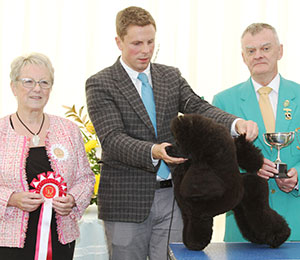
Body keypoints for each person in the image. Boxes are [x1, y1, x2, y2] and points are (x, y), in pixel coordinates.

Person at [86, 6, 258, 260]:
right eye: (136, 43)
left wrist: (235, 123)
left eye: (150, 41)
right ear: (118, 42)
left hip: (174, 197)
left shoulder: (170, 75)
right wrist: (153, 151)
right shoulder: (101, 83)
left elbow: (197, 107)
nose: (146, 50)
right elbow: (112, 139)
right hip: (126, 202)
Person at [0, 53, 95, 259]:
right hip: (8, 240)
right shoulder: (1, 132)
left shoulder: (68, 130)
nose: (37, 89)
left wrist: (72, 199)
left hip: (60, 238)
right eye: (28, 82)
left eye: (44, 82)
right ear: (13, 87)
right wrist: (11, 199)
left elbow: (86, 178)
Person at [213, 23, 300, 242]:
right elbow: (216, 164)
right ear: (243, 57)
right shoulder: (222, 102)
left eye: (265, 48)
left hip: (296, 223)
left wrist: (298, 177)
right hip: (245, 227)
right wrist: (250, 166)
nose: (258, 55)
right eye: (251, 51)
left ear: (280, 51)